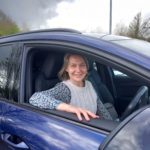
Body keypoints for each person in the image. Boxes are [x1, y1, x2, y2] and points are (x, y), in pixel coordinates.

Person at [29, 53, 112, 121]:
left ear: (87, 67)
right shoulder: (65, 88)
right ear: (66, 69)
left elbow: (102, 111)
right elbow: (35, 98)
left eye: (82, 65)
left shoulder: (89, 84)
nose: (78, 70)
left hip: (94, 128)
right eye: (73, 65)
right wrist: (69, 108)